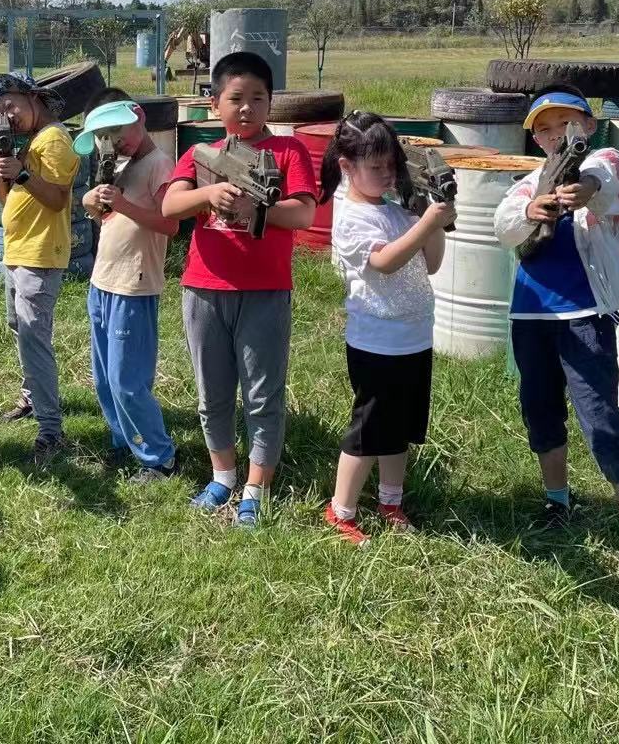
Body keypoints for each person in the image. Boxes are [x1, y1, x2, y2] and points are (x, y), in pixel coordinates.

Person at [493, 84, 619, 583]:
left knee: (602, 420)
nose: (554, 135)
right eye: (543, 129)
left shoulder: (603, 158)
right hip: (530, 317)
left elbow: (604, 179)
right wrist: (531, 210)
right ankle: (557, 501)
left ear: (586, 126)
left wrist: (581, 191)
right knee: (541, 413)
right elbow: (502, 225)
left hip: (586, 315)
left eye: (565, 124)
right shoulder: (529, 181)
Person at [161, 51, 317, 526]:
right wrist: (208, 194)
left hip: (265, 291)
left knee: (262, 393)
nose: (246, 108)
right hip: (204, 289)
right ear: (215, 104)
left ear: (272, 104)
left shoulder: (289, 153)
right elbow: (170, 206)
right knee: (212, 392)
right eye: (236, 98)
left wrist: (258, 213)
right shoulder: (199, 154)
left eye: (258, 98)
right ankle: (222, 474)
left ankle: (256, 486)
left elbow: (306, 214)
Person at [316, 113, 454, 544]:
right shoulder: (353, 217)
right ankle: (340, 511)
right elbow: (385, 263)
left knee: (401, 429)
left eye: (391, 165)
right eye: (375, 167)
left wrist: (431, 219)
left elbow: (430, 263)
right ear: (347, 167)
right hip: (376, 342)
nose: (386, 174)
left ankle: (391, 501)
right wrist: (428, 221)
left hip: (414, 336)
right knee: (369, 430)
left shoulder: (396, 210)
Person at [75, 95, 180, 482]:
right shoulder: (120, 166)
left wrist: (123, 205)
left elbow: (170, 224)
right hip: (102, 283)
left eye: (117, 131)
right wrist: (94, 200)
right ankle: (124, 440)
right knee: (104, 378)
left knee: (127, 380)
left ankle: (159, 457)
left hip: (134, 287)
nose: (114, 142)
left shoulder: (159, 165)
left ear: (139, 116)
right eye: (105, 137)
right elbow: (101, 211)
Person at [0, 71, 81, 464]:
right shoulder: (30, 143)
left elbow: (56, 200)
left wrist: (20, 171)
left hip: (39, 255)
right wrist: (2, 170)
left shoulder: (54, 139)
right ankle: (30, 395)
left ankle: (51, 431)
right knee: (19, 328)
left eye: (10, 105)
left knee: (34, 339)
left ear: (31, 96)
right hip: (18, 251)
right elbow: (7, 203)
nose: (8, 116)